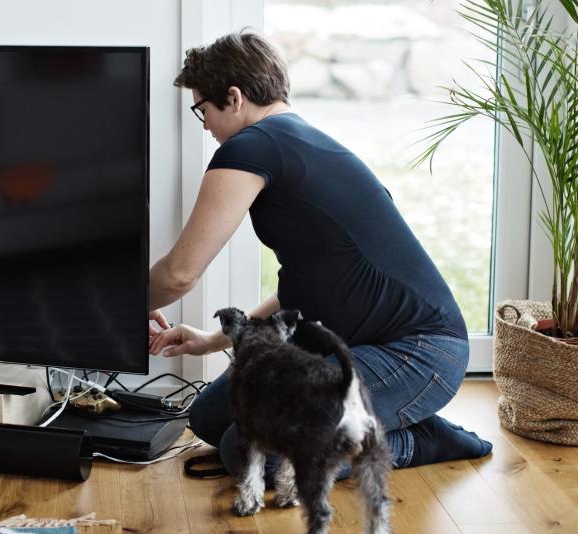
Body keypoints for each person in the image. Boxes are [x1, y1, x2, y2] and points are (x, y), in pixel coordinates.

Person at [147, 30, 492, 483]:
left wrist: (115, 304)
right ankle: (377, 417)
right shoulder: (293, 140)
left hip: (418, 353)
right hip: (355, 347)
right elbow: (308, 282)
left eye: (203, 109)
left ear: (233, 98)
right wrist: (216, 339)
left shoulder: (252, 147)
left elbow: (179, 273)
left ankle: (415, 439)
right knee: (210, 418)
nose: (205, 124)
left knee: (251, 455)